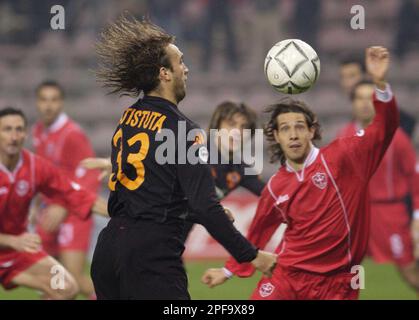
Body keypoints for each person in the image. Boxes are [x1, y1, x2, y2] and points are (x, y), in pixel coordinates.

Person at [90, 16, 276, 300]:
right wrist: (252, 256)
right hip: (151, 257)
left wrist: (195, 213)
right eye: (181, 62)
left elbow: (152, 197)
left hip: (108, 250)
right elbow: (204, 206)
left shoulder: (128, 118)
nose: (186, 69)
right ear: (164, 73)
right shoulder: (185, 131)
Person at [202, 46, 398, 300]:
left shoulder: (346, 157)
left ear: (311, 131)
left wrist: (380, 83)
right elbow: (258, 234)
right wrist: (228, 272)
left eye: (299, 127)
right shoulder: (275, 186)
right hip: (287, 276)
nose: (293, 134)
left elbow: (385, 128)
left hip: (338, 284)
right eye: (285, 129)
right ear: (276, 136)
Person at [81, 101, 266, 242]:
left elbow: (270, 194)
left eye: (244, 128)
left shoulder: (240, 169)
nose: (237, 132)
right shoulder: (193, 146)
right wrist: (115, 163)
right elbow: (151, 160)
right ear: (217, 125)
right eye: (232, 124)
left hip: (178, 233)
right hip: (151, 223)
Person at [0, 107, 108, 299]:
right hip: (12, 243)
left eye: (18, 129)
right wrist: (13, 240)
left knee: (66, 287)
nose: (14, 136)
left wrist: (124, 212)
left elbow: (74, 194)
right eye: (7, 129)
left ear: (26, 133)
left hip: (15, 253)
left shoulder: (34, 166)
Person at [337, 79, 419, 292]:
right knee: (343, 273)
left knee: (410, 270)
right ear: (352, 103)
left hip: (390, 214)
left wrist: (417, 218)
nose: (365, 104)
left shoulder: (396, 136)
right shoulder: (343, 136)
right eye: (360, 99)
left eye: (370, 99)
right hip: (355, 215)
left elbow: (414, 176)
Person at [31, 81, 100, 299]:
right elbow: (42, 174)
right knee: (50, 279)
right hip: (49, 211)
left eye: (53, 100)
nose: (48, 106)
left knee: (74, 279)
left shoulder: (72, 134)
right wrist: (35, 205)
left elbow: (89, 176)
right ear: (37, 103)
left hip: (73, 213)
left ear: (61, 103)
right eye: (44, 100)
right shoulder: (38, 132)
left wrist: (63, 205)